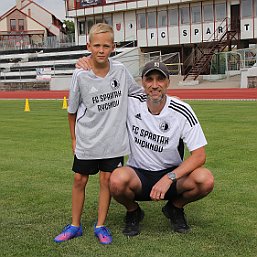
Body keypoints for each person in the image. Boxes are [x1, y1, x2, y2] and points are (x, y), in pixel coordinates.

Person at [54, 23, 141, 244]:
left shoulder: (120, 71)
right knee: (79, 179)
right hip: (88, 138)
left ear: (113, 47)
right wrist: (74, 139)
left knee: (106, 180)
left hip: (113, 140)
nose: (101, 50)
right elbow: (72, 112)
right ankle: (75, 225)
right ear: (88, 46)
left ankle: (100, 225)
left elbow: (137, 93)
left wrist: (168, 98)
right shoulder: (80, 74)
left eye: (106, 46)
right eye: (96, 45)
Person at [109, 61, 215, 236]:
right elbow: (106, 82)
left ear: (168, 83)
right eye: (149, 79)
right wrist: (88, 62)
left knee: (205, 180)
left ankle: (175, 207)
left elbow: (199, 156)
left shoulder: (182, 110)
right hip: (139, 175)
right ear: (142, 82)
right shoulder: (130, 103)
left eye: (160, 79)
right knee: (115, 181)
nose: (155, 85)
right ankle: (133, 211)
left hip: (172, 177)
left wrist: (169, 177)